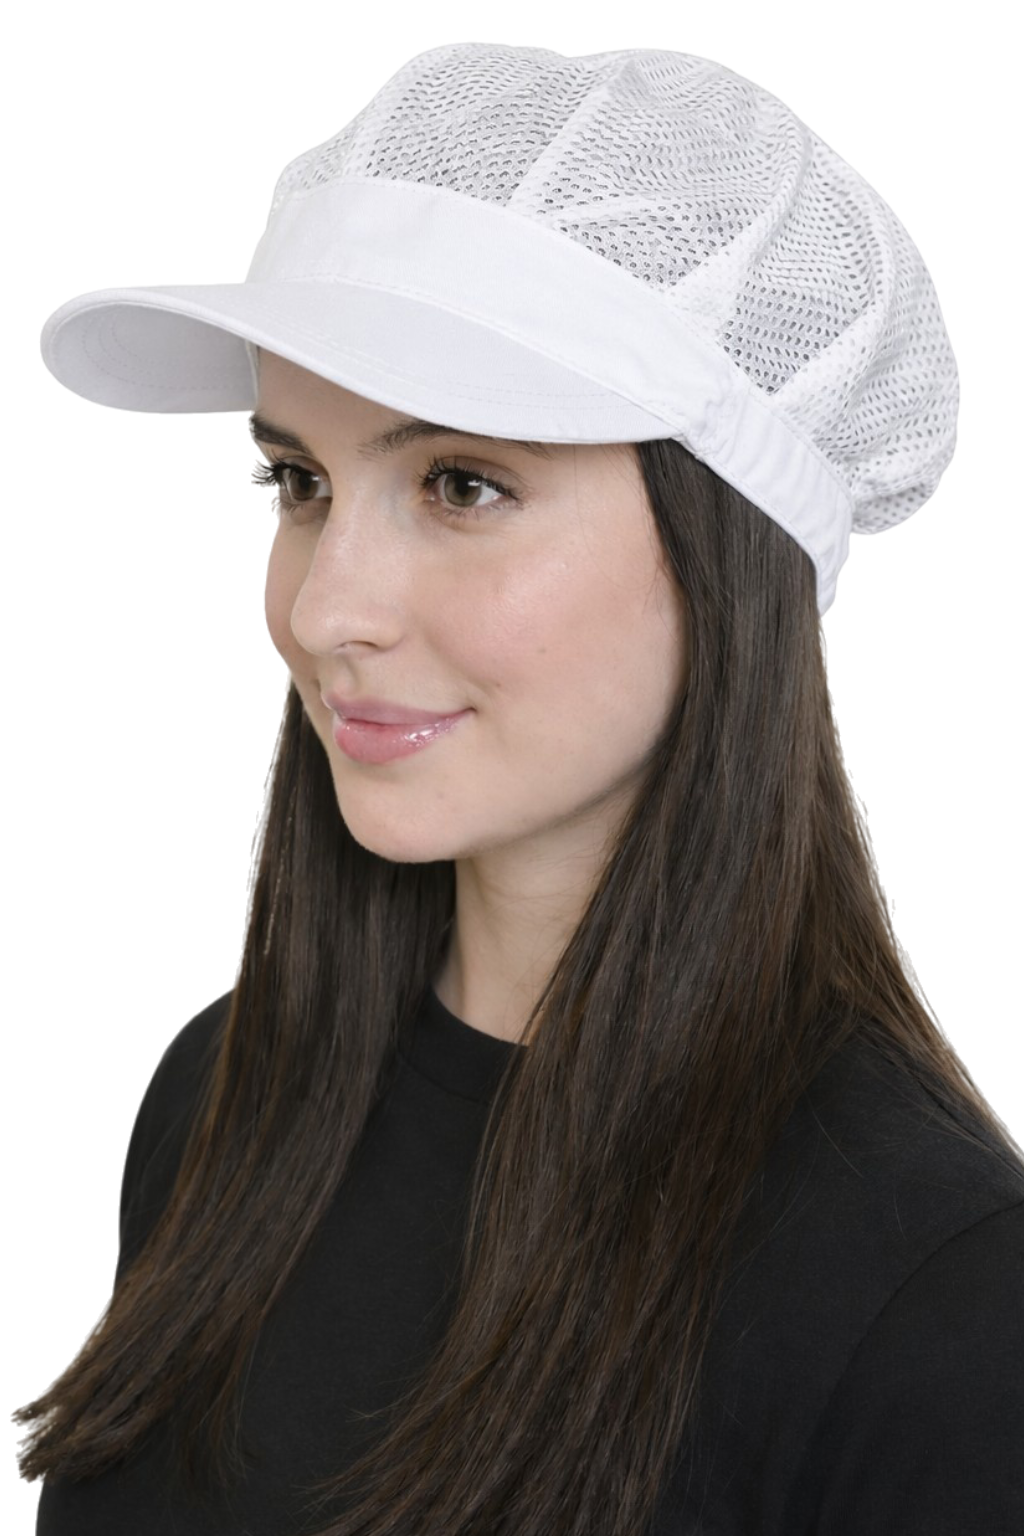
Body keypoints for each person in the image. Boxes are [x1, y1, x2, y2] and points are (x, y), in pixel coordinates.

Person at [17, 39, 1024, 1536]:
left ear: (732, 546)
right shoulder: (224, 1103)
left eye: (463, 484)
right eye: (299, 481)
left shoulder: (934, 1299)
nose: (324, 609)